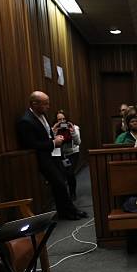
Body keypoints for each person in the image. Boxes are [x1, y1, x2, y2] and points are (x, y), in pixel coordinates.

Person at [17, 91, 87, 220]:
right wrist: (53, 142)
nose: (48, 106)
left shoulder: (42, 115)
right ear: (34, 104)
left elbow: (46, 135)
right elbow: (31, 144)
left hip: (54, 155)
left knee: (61, 184)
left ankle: (69, 211)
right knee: (59, 184)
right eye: (45, 104)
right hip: (43, 158)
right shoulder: (26, 121)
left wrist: (54, 137)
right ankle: (68, 212)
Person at [52, 110, 81, 200]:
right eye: (59, 120)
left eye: (64, 119)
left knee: (70, 173)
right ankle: (64, 194)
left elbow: (78, 142)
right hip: (61, 154)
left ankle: (72, 193)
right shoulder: (55, 129)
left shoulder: (74, 127)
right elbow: (51, 143)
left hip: (73, 153)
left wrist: (73, 132)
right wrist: (54, 131)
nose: (62, 122)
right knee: (63, 174)